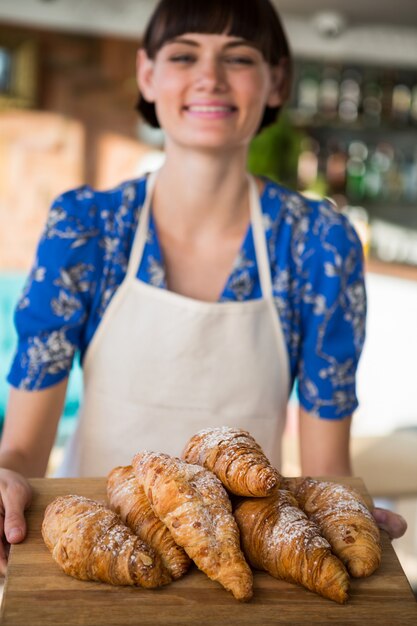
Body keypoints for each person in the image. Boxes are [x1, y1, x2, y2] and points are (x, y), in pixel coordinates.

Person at [0, 0, 406, 574]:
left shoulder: (317, 245)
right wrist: (6, 481)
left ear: (276, 82)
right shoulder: (87, 229)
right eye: (184, 54)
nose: (209, 78)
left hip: (249, 564)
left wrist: (342, 514)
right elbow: (21, 450)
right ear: (148, 74)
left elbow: (325, 469)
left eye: (237, 58)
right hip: (99, 559)